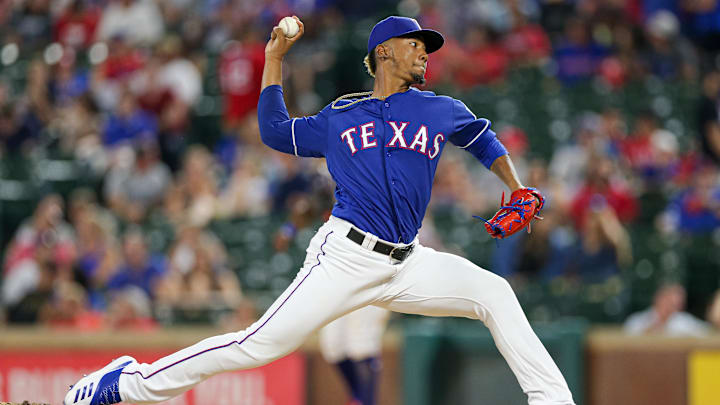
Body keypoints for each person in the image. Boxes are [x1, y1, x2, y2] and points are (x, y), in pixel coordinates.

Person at [64, 16, 575, 405]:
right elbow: (273, 131)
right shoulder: (340, 116)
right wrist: (275, 59)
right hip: (345, 257)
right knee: (257, 346)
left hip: (409, 260)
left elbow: (482, 138)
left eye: (426, 47)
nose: (424, 53)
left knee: (495, 293)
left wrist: (515, 185)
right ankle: (126, 383)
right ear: (384, 52)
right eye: (415, 44)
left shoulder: (438, 108)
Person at [624, 283, 709, 337]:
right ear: (658, 298)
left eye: (676, 305)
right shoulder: (638, 320)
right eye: (669, 301)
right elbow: (626, 339)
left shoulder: (683, 321)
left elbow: (707, 333)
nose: (671, 307)